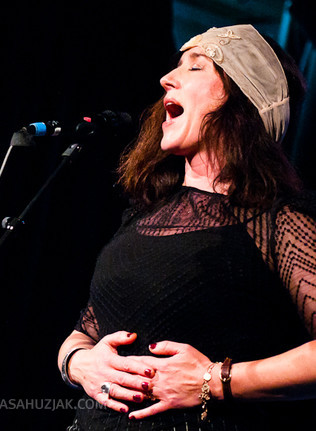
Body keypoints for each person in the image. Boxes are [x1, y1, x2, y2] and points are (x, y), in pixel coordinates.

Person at [57, 24, 316, 429]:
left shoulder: (276, 222)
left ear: (244, 101)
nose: (166, 78)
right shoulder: (141, 217)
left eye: (196, 68)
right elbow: (84, 330)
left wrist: (216, 380)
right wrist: (79, 363)